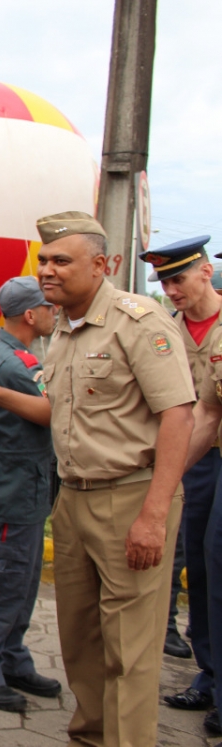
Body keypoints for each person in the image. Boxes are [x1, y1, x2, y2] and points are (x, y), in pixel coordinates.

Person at [36, 211, 195, 747]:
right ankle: (90, 736)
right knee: (80, 639)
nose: (47, 270)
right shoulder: (62, 328)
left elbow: (178, 415)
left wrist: (154, 514)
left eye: (62, 260)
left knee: (130, 650)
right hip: (73, 498)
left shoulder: (139, 322)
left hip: (130, 498)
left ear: (101, 265)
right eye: (43, 260)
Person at [0, 276, 62, 712]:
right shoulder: (13, 363)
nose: (55, 313)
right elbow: (53, 412)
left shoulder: (8, 353)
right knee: (4, 581)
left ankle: (11, 657)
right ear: (31, 315)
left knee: (22, 579)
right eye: (49, 307)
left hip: (24, 485)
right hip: (14, 487)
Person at [141, 238, 222, 735]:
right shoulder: (168, 328)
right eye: (165, 282)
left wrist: (163, 477)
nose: (172, 290)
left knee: (218, 558)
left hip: (208, 449)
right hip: (194, 459)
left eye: (179, 279)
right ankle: (208, 675)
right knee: (200, 565)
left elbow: (209, 415)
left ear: (206, 273)